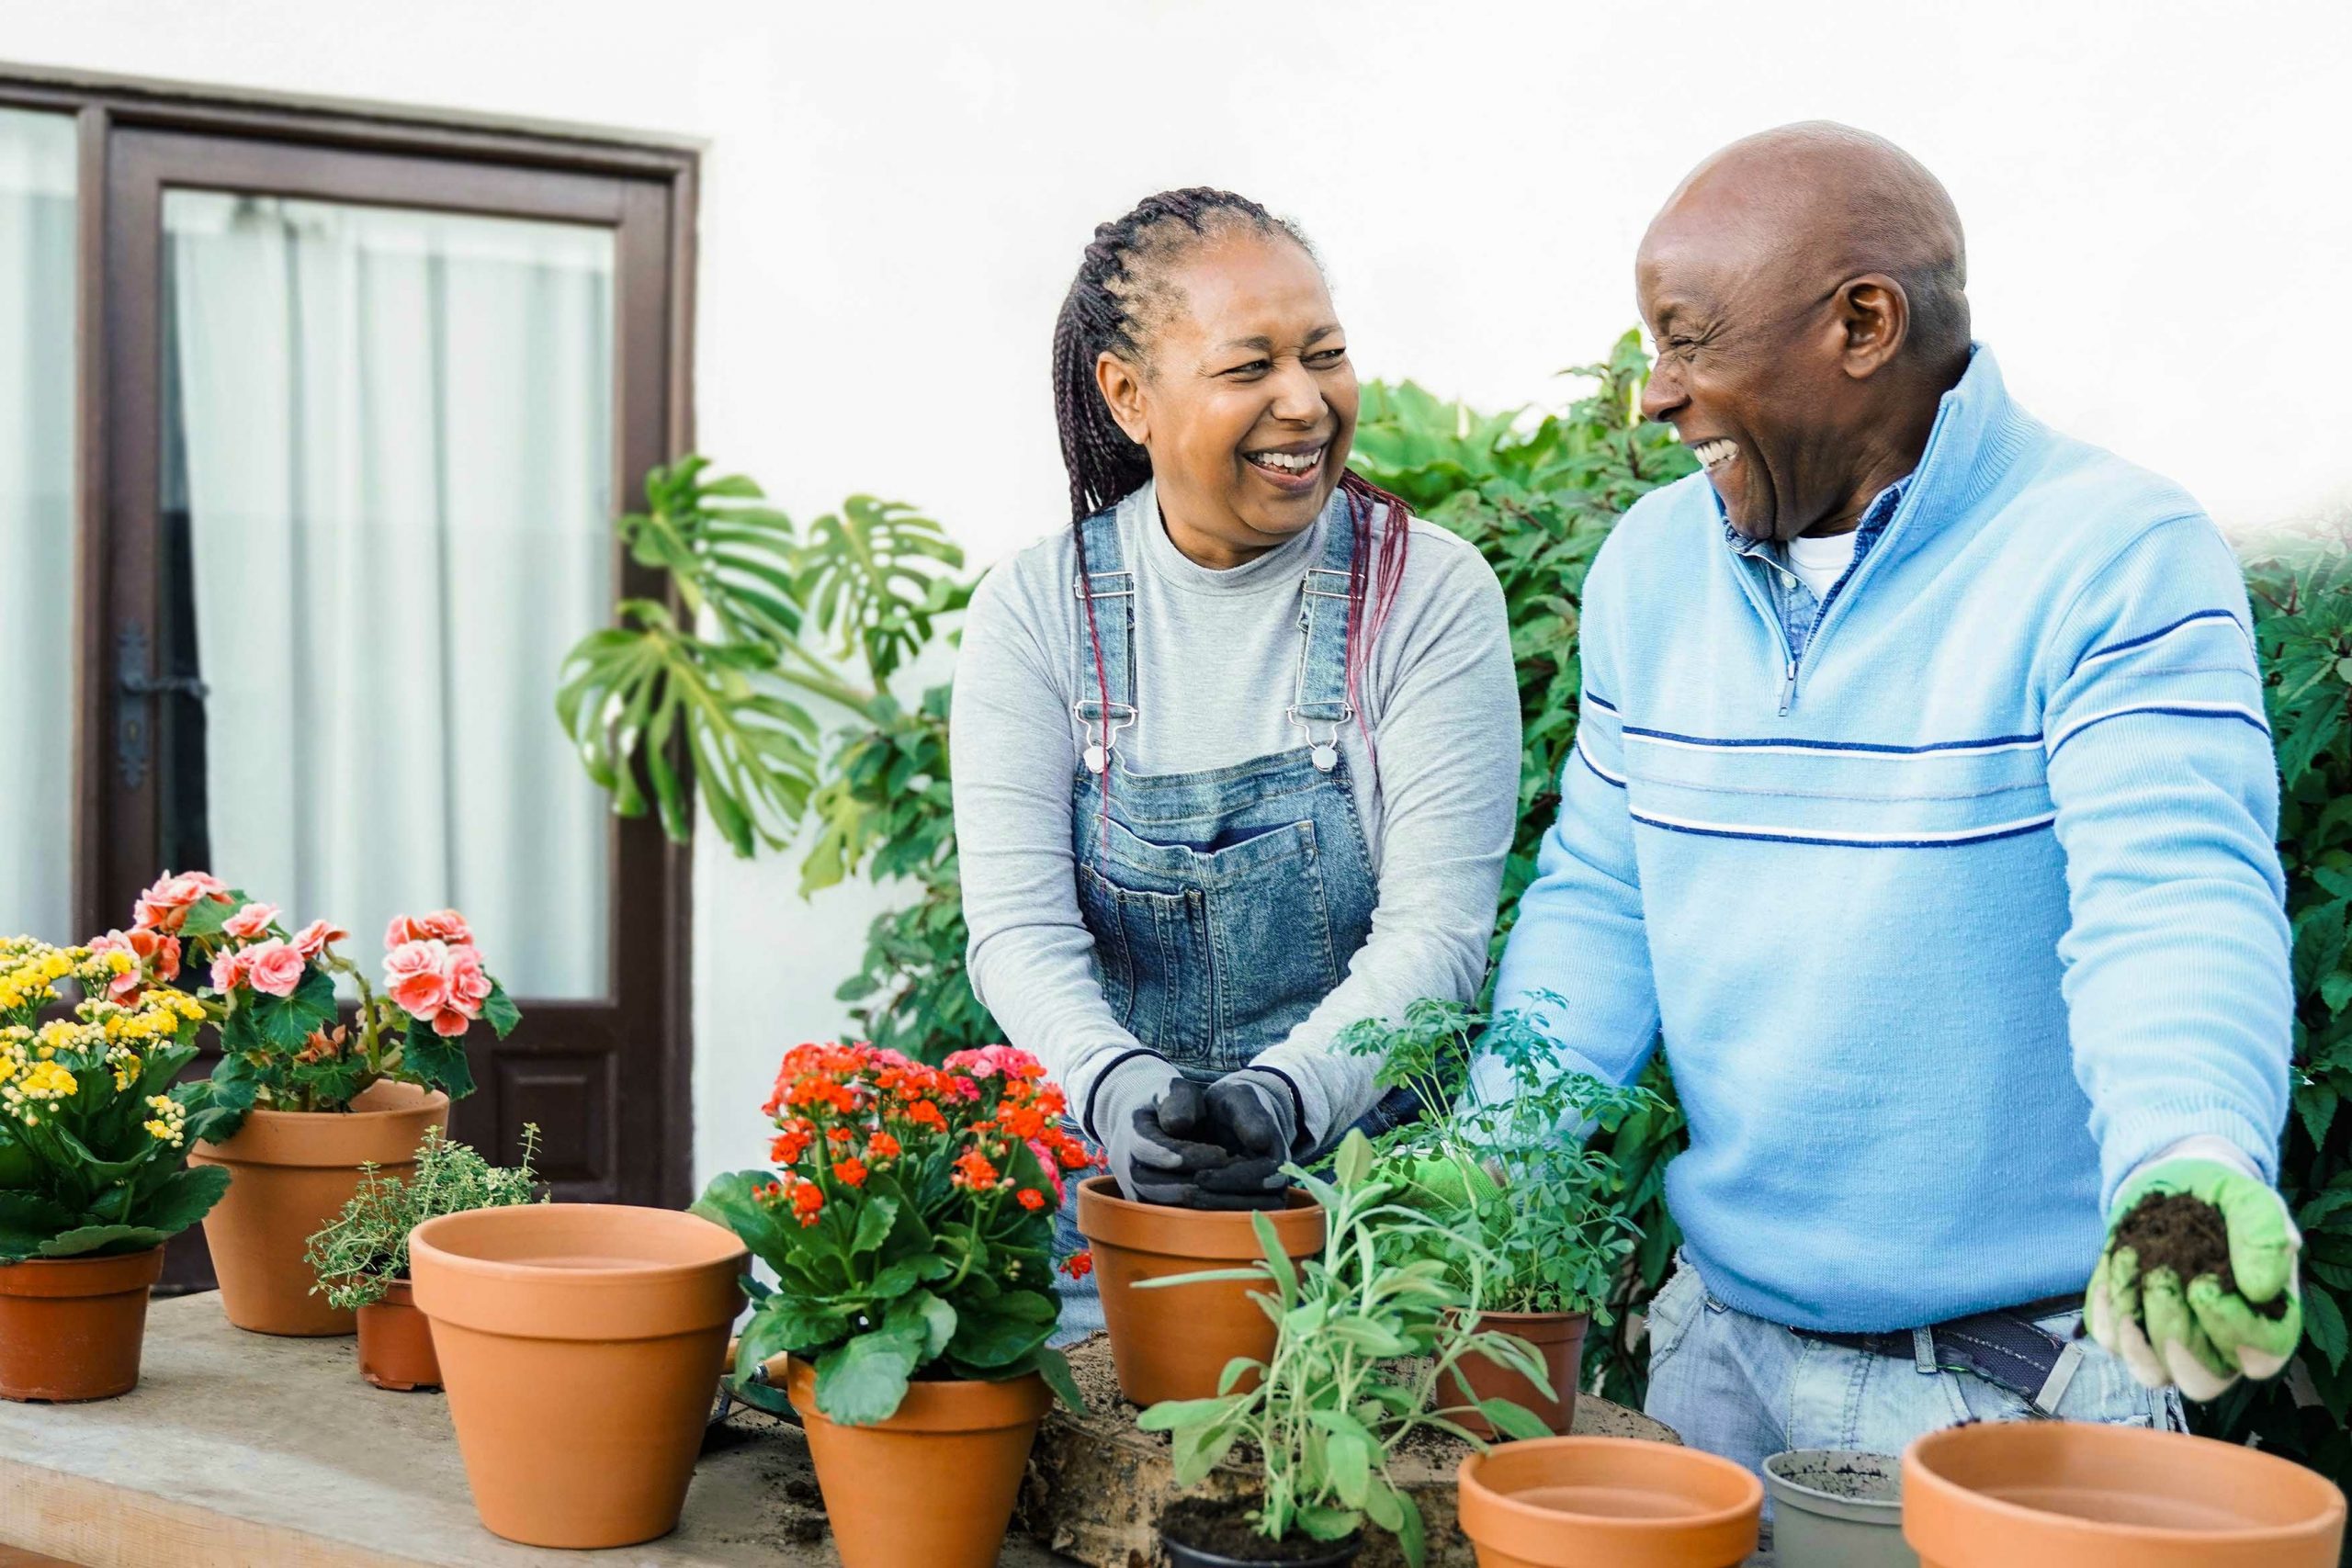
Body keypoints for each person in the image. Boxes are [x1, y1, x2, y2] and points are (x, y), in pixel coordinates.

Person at [1485, 123, 2301, 1473]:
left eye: (1687, 340)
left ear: (1864, 322)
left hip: (2015, 1394)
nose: (1656, 394)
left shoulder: (2111, 553)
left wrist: (2187, 1157)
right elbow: (1605, 893)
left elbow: (2174, 895)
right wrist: (1492, 1160)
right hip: (1717, 1363)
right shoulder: (1649, 569)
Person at [952, 189, 1520, 1332]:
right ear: (1128, 397)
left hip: (1366, 1216)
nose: (1303, 403)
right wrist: (1116, 1092)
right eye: (1248, 366)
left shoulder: (1425, 593)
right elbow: (1017, 933)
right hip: (1110, 1208)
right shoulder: (1035, 611)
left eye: (1325, 355)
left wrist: (1283, 1098)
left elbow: (1439, 936)